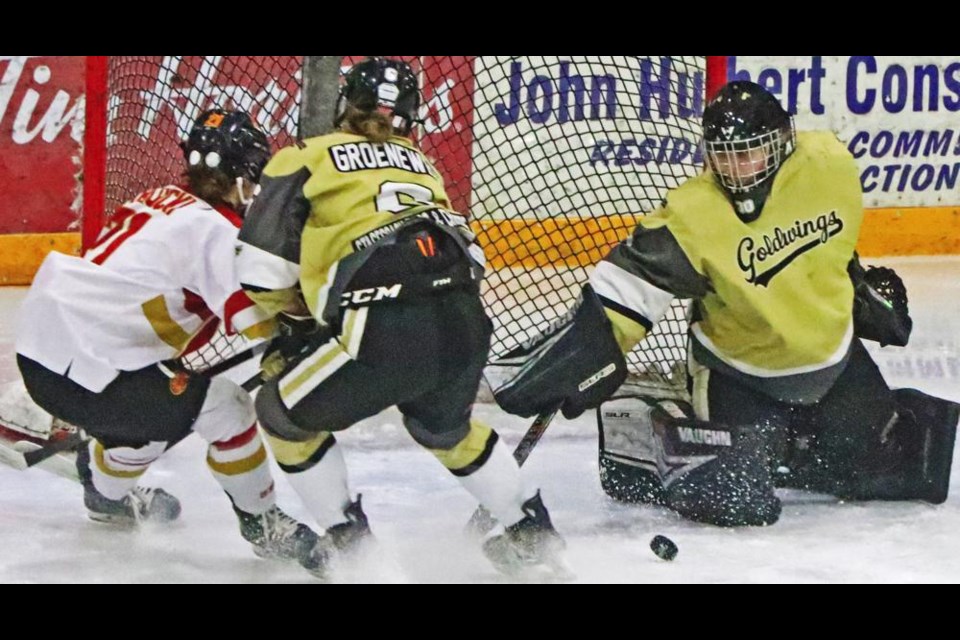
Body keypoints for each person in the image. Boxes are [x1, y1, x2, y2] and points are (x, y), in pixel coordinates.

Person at [494, 80, 960, 527]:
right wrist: (587, 347)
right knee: (734, 500)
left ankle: (784, 441)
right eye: (724, 156)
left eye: (749, 152)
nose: (736, 169)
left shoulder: (828, 163)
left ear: (781, 142)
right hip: (739, 371)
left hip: (832, 360)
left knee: (897, 470)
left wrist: (858, 285)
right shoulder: (693, 213)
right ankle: (652, 421)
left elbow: (831, 237)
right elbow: (628, 291)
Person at [236, 56, 565, 577]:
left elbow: (260, 272)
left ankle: (352, 549)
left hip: (382, 325)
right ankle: (531, 533)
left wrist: (295, 324)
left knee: (282, 416)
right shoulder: (423, 164)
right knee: (447, 428)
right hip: (465, 320)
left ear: (346, 105)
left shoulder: (305, 156)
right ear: (411, 119)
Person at [16, 108, 329, 575]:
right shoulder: (217, 231)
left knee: (149, 424)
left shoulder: (160, 197)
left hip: (39, 355)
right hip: (97, 374)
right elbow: (262, 327)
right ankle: (264, 526)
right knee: (228, 410)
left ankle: (105, 495)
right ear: (242, 175)